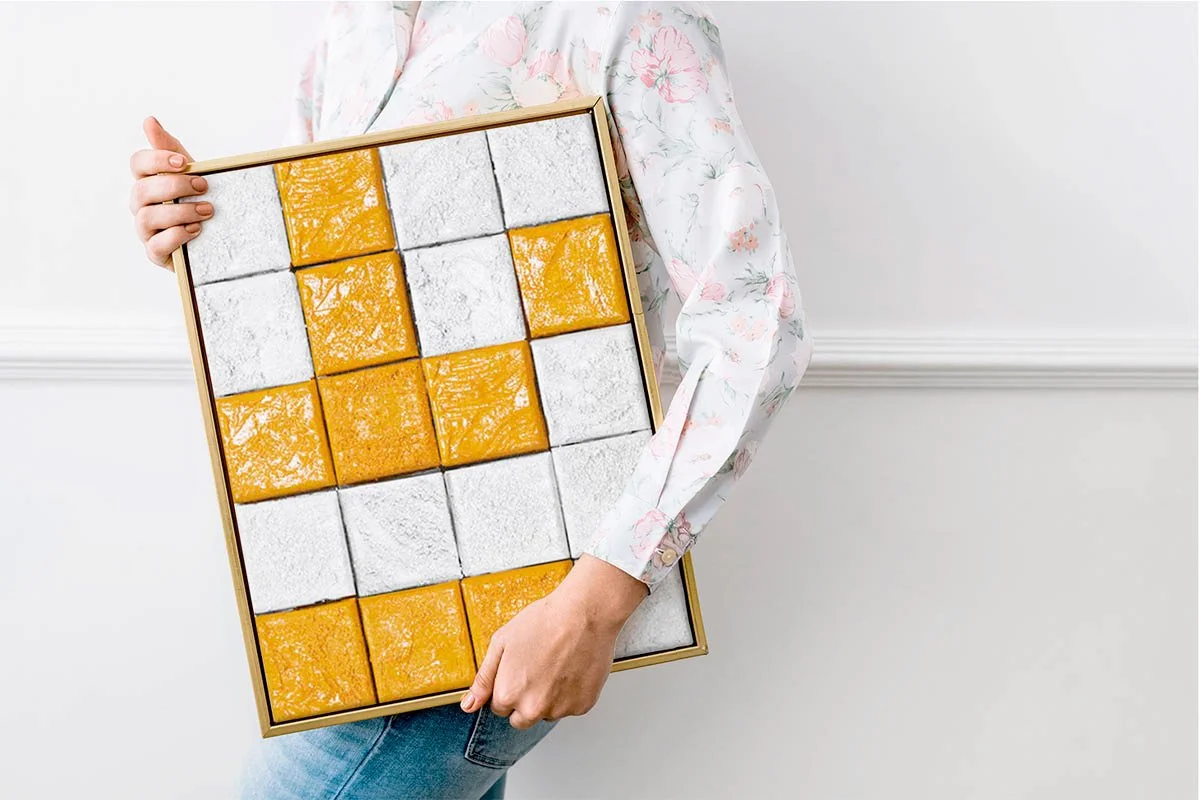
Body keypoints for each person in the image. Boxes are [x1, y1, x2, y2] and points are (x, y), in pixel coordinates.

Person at [128, 3, 814, 798]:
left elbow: (756, 322)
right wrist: (205, 231)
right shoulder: (354, 28)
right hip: (352, 587)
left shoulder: (624, 20)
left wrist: (594, 605)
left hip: (510, 605)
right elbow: (328, 292)